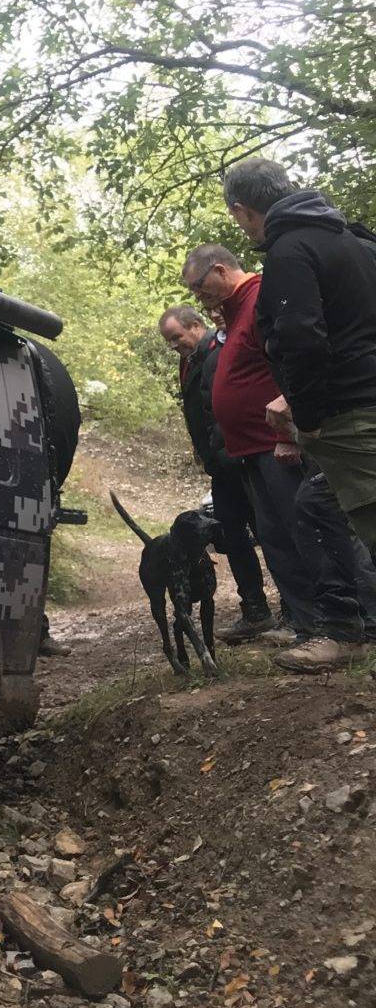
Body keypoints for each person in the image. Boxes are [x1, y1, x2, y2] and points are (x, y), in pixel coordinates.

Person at [224, 157, 376, 668]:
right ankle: (346, 631)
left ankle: (348, 631)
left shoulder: (291, 248)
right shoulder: (354, 241)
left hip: (349, 416)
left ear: (244, 212)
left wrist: (305, 416)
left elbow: (301, 339)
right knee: (318, 505)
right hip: (359, 402)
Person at [157, 305, 274, 638]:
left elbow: (226, 408)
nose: (173, 346)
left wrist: (229, 453)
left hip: (240, 458)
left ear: (196, 325)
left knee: (268, 531)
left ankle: (298, 610)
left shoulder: (220, 350)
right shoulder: (190, 360)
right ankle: (255, 610)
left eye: (176, 337)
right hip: (220, 466)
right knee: (231, 537)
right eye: (168, 341)